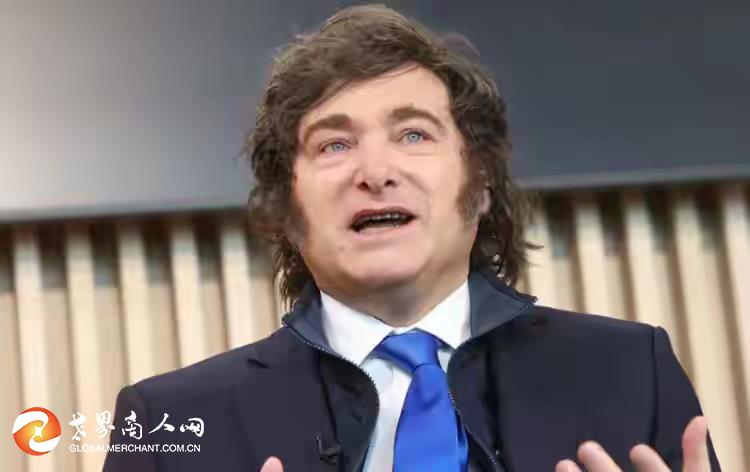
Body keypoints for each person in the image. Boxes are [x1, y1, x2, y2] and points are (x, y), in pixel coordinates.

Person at [103, 5, 721, 472]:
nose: (375, 172)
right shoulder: (169, 424)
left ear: (480, 184)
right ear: (286, 210)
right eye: (334, 145)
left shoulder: (630, 371)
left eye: (414, 134)